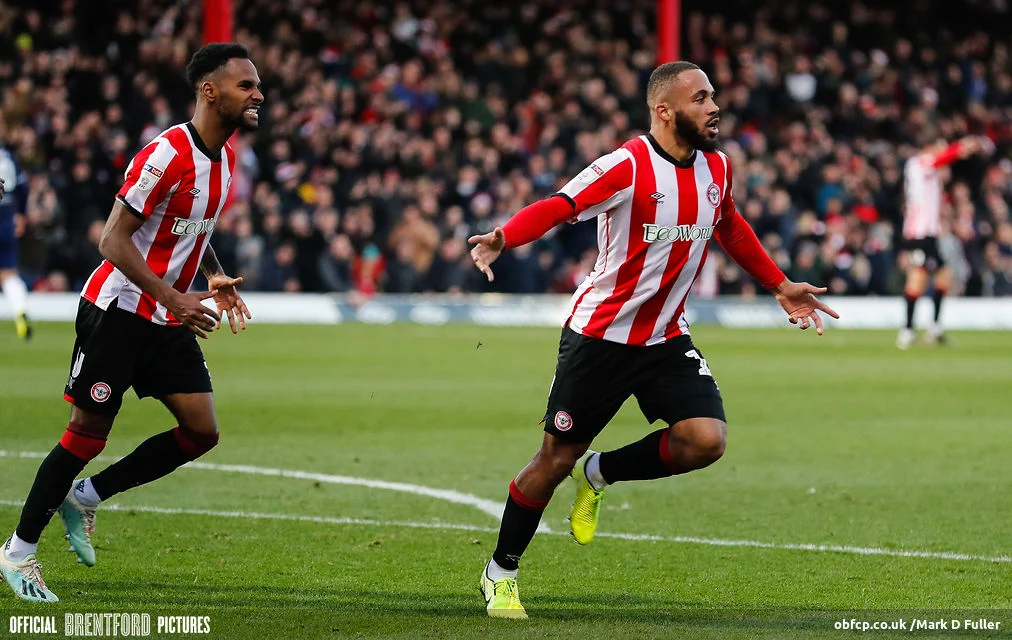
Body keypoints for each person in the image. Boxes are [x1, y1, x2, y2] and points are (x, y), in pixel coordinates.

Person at [468, 61, 839, 619]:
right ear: (664, 110)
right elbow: (561, 204)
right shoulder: (627, 165)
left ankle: (600, 472)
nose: (713, 107)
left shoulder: (717, 168)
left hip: (666, 336)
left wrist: (780, 285)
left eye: (713, 96)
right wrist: (505, 235)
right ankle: (500, 571)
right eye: (700, 98)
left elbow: (730, 224)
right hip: (601, 337)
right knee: (552, 459)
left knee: (705, 439)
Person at [0, 43, 261, 602]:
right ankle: (18, 552)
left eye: (257, 84)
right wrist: (175, 296)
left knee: (200, 431)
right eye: (246, 85)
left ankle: (86, 498)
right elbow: (111, 240)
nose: (258, 94)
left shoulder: (227, 159)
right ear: (210, 91)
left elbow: (195, 228)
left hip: (169, 314)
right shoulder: (165, 154)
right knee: (85, 437)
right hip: (118, 311)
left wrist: (211, 277)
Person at [897, 135, 993, 349]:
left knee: (943, 275)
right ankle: (907, 331)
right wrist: (963, 146)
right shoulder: (918, 163)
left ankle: (934, 328)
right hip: (918, 233)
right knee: (918, 277)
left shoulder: (930, 170)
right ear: (928, 147)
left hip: (928, 233)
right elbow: (943, 158)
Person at [0, 142, 33, 340]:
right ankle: (20, 309)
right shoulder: (7, 156)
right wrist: (21, 214)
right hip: (6, 219)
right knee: (8, 274)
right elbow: (22, 186)